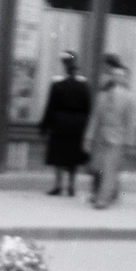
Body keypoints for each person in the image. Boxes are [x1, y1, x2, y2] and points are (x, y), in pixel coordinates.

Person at [85, 56, 136, 209]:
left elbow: (131, 122)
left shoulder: (128, 98)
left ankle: (103, 199)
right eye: (116, 75)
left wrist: (131, 142)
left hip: (117, 138)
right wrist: (88, 138)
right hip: (101, 137)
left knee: (109, 170)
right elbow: (94, 118)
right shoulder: (102, 96)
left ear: (124, 78)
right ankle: (105, 194)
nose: (118, 78)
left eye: (121, 76)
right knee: (100, 169)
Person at [38, 50, 91, 197]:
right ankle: (71, 186)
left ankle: (58, 185)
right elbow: (88, 108)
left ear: (64, 66)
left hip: (60, 123)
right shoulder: (84, 86)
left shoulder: (57, 85)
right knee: (73, 156)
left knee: (59, 155)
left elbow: (50, 107)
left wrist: (44, 126)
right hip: (78, 125)